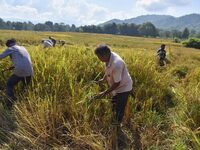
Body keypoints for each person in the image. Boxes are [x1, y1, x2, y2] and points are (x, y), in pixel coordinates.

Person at [94, 44, 133, 124]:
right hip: (116, 86)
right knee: (114, 103)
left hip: (123, 87)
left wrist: (104, 93)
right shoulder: (109, 57)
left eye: (99, 57)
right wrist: (103, 79)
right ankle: (114, 119)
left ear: (105, 55)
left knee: (120, 108)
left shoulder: (116, 64)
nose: (99, 59)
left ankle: (117, 125)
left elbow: (117, 83)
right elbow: (108, 70)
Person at [0, 38, 33, 108]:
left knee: (9, 84)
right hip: (30, 71)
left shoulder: (11, 48)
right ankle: (22, 103)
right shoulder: (23, 48)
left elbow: (1, 57)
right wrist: (8, 68)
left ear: (9, 45)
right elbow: (22, 61)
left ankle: (10, 103)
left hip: (21, 70)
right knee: (24, 87)